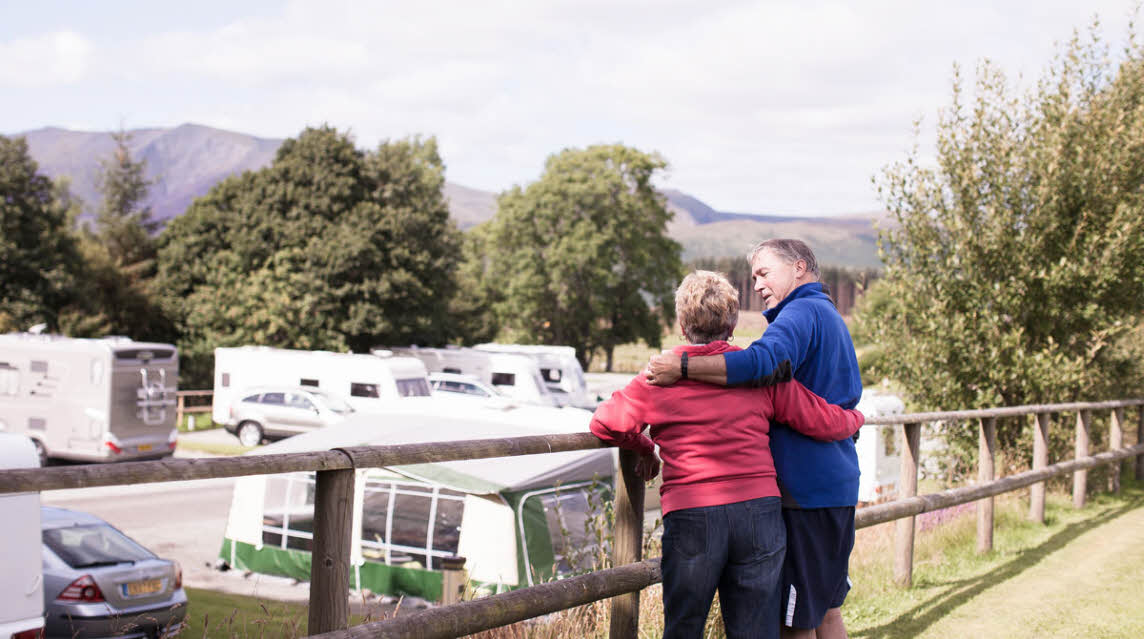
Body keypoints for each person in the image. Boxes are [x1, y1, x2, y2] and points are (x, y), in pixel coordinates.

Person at [591, 270, 864, 639]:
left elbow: (605, 423)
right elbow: (820, 420)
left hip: (692, 512)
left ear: (682, 325)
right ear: (732, 323)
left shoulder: (658, 377)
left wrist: (646, 448)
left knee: (685, 627)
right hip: (760, 513)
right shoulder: (756, 373)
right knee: (755, 631)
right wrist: (856, 417)